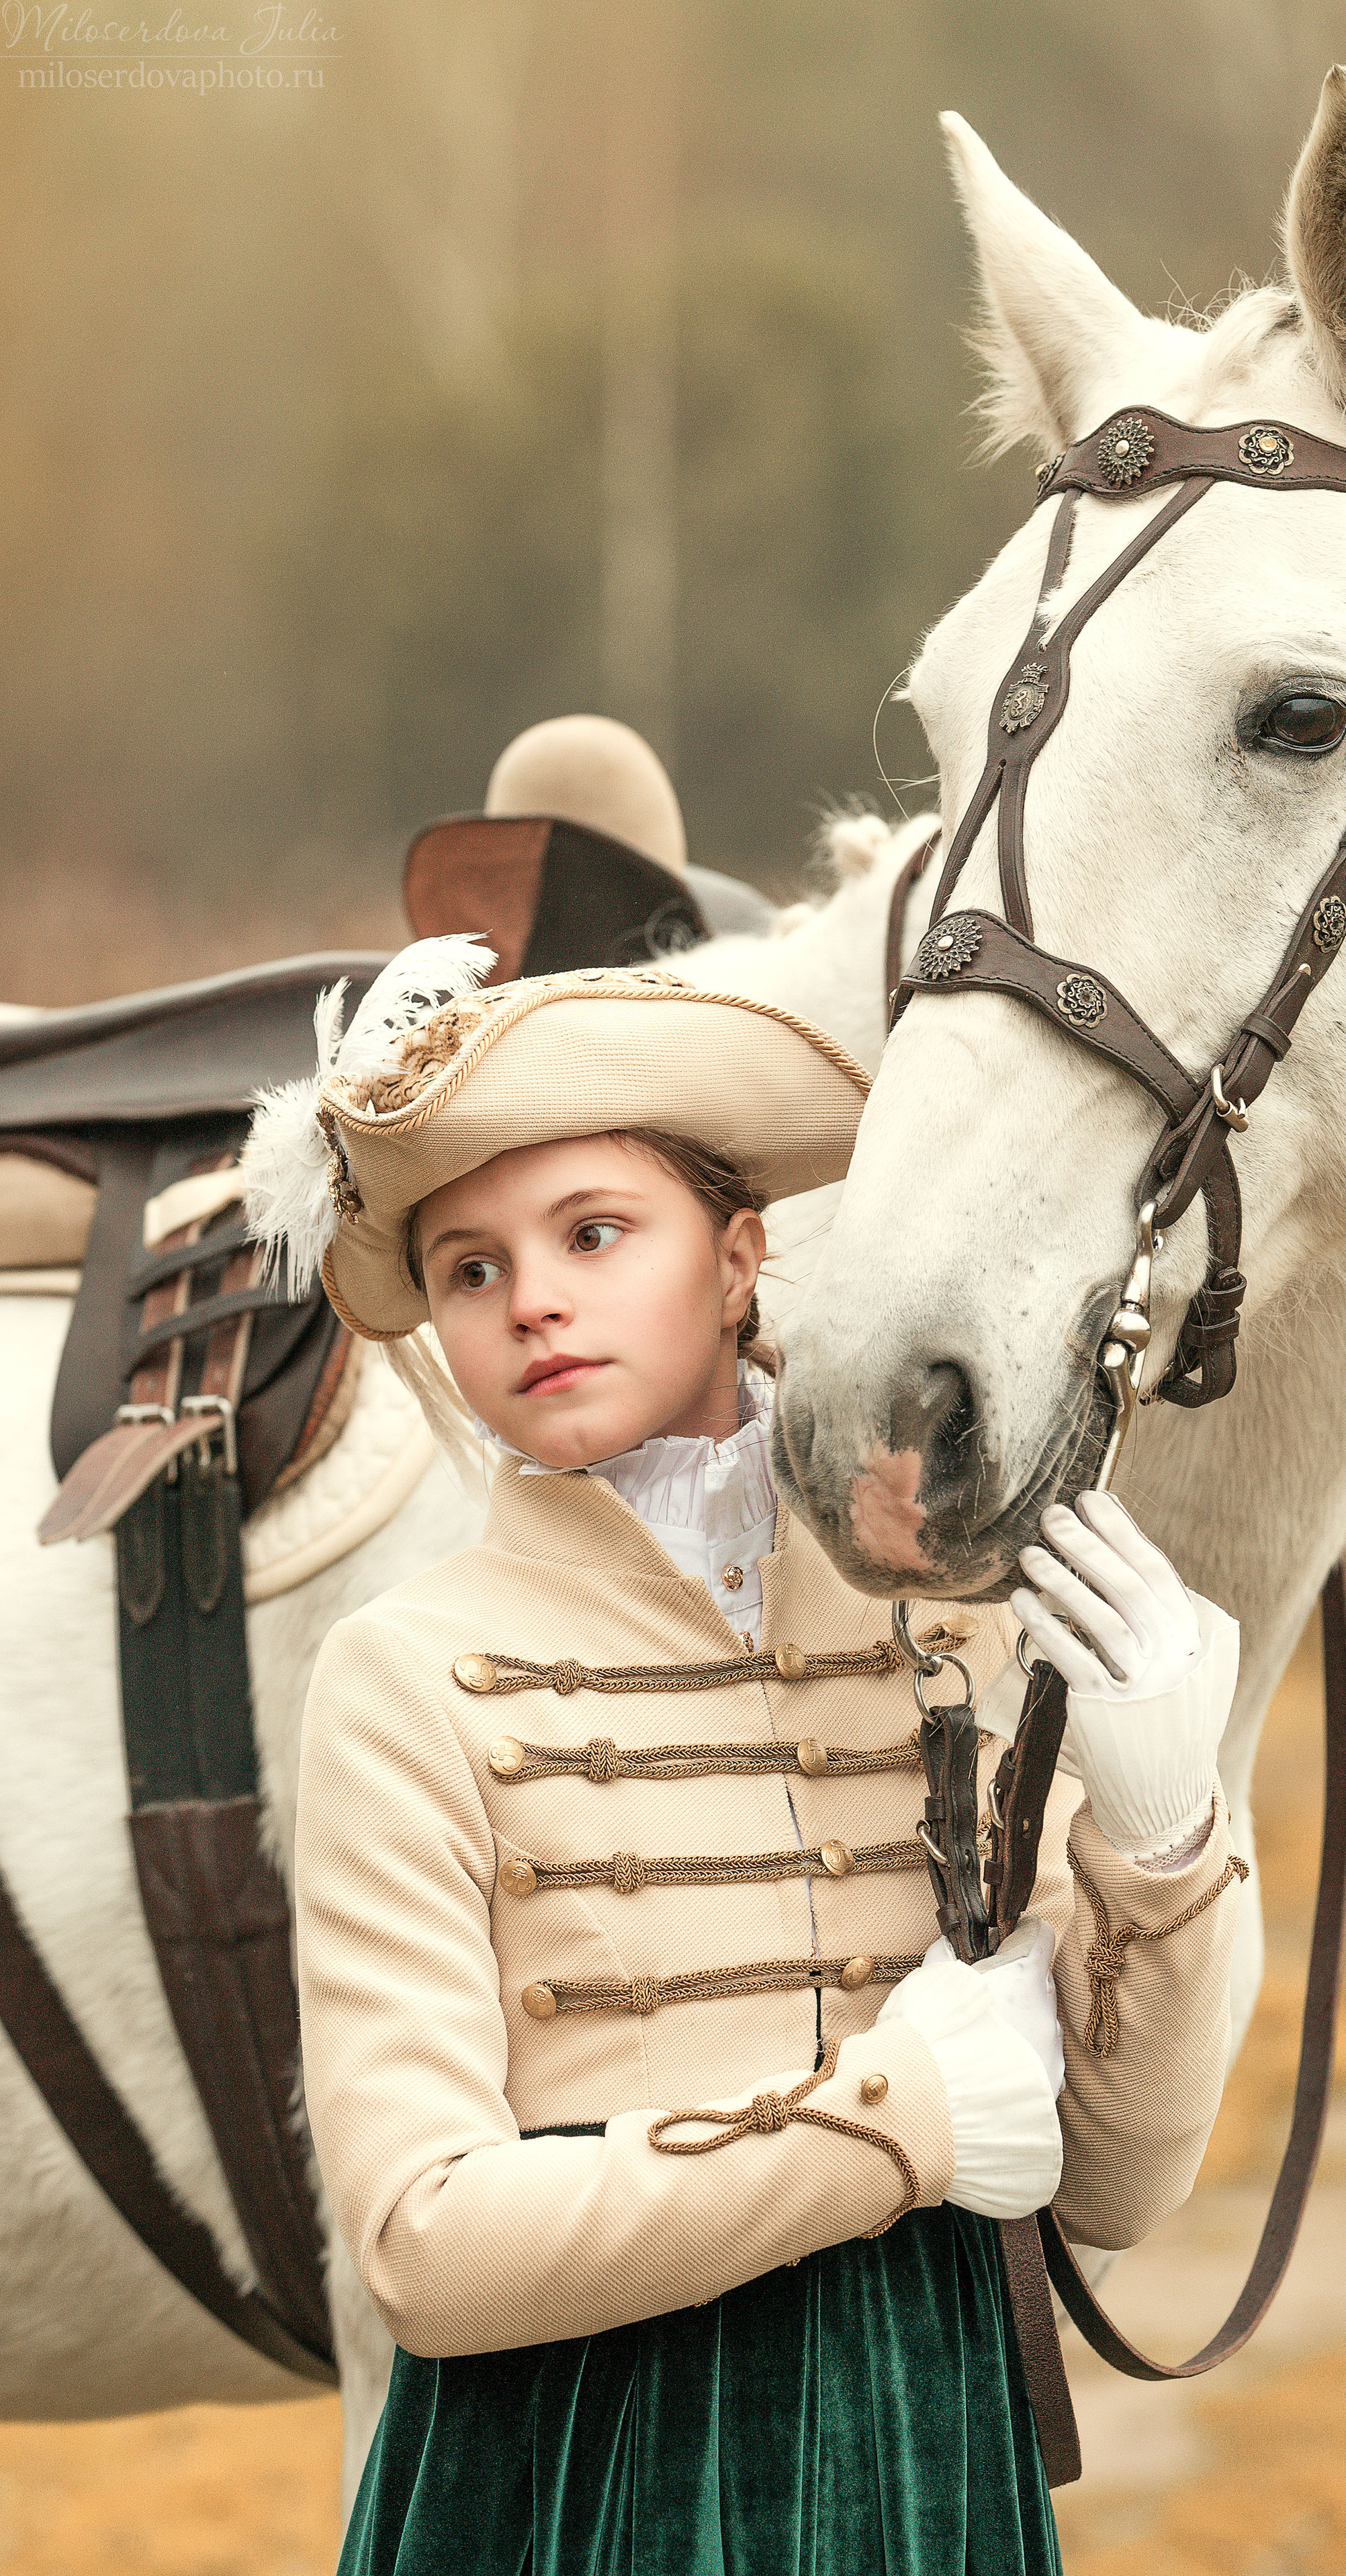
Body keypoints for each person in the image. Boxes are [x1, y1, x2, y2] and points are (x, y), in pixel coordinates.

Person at [244, 936, 1247, 2576]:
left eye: (591, 1232)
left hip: (922, 2440)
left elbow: (1119, 2189)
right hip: (571, 2469)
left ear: (737, 1259)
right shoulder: (402, 1675)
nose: (531, 1300)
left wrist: (1161, 1832)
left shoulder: (954, 1628)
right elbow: (422, 2247)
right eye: (468, 1268)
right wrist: (893, 2119)